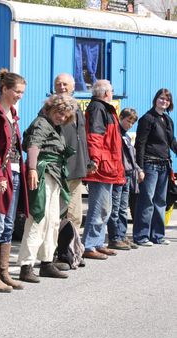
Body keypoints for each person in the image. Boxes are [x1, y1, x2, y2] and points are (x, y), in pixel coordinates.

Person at [17, 94, 78, 282]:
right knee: (38, 219)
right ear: (51, 109)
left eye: (65, 115)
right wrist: (33, 169)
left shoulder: (55, 126)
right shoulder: (41, 123)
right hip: (43, 174)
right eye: (59, 112)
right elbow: (33, 145)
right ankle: (26, 266)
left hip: (54, 175)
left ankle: (46, 262)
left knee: (53, 220)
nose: (61, 117)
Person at [0, 68, 29, 293]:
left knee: (8, 225)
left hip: (16, 172)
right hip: (3, 174)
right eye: (17, 91)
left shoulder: (12, 114)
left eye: (22, 92)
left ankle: (3, 273)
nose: (20, 95)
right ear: (4, 89)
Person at [81, 80, 125, 260]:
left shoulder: (103, 108)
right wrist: (95, 160)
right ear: (106, 93)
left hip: (108, 166)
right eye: (112, 90)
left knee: (105, 208)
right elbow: (94, 137)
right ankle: (89, 245)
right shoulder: (98, 108)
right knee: (98, 208)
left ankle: (98, 243)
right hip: (102, 167)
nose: (113, 93)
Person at [133, 88, 176, 246]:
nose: (164, 101)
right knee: (147, 200)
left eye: (167, 99)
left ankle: (157, 235)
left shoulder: (167, 120)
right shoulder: (147, 118)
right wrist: (140, 167)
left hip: (164, 165)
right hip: (150, 164)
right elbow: (140, 144)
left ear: (169, 103)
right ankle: (141, 235)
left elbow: (171, 142)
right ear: (155, 99)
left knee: (160, 201)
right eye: (161, 98)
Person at [55, 74, 92, 231]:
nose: (62, 87)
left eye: (65, 84)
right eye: (58, 84)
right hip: (59, 171)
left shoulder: (77, 108)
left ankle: (71, 251)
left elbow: (82, 138)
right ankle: (56, 250)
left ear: (73, 87)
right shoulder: (50, 109)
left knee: (75, 215)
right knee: (58, 214)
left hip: (76, 170)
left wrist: (88, 162)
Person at [107, 108, 144, 250]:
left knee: (123, 208)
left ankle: (122, 236)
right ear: (120, 117)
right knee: (115, 208)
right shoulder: (116, 134)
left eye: (132, 122)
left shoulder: (127, 137)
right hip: (118, 174)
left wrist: (138, 170)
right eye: (128, 121)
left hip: (127, 175)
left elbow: (132, 158)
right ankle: (114, 238)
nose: (130, 124)